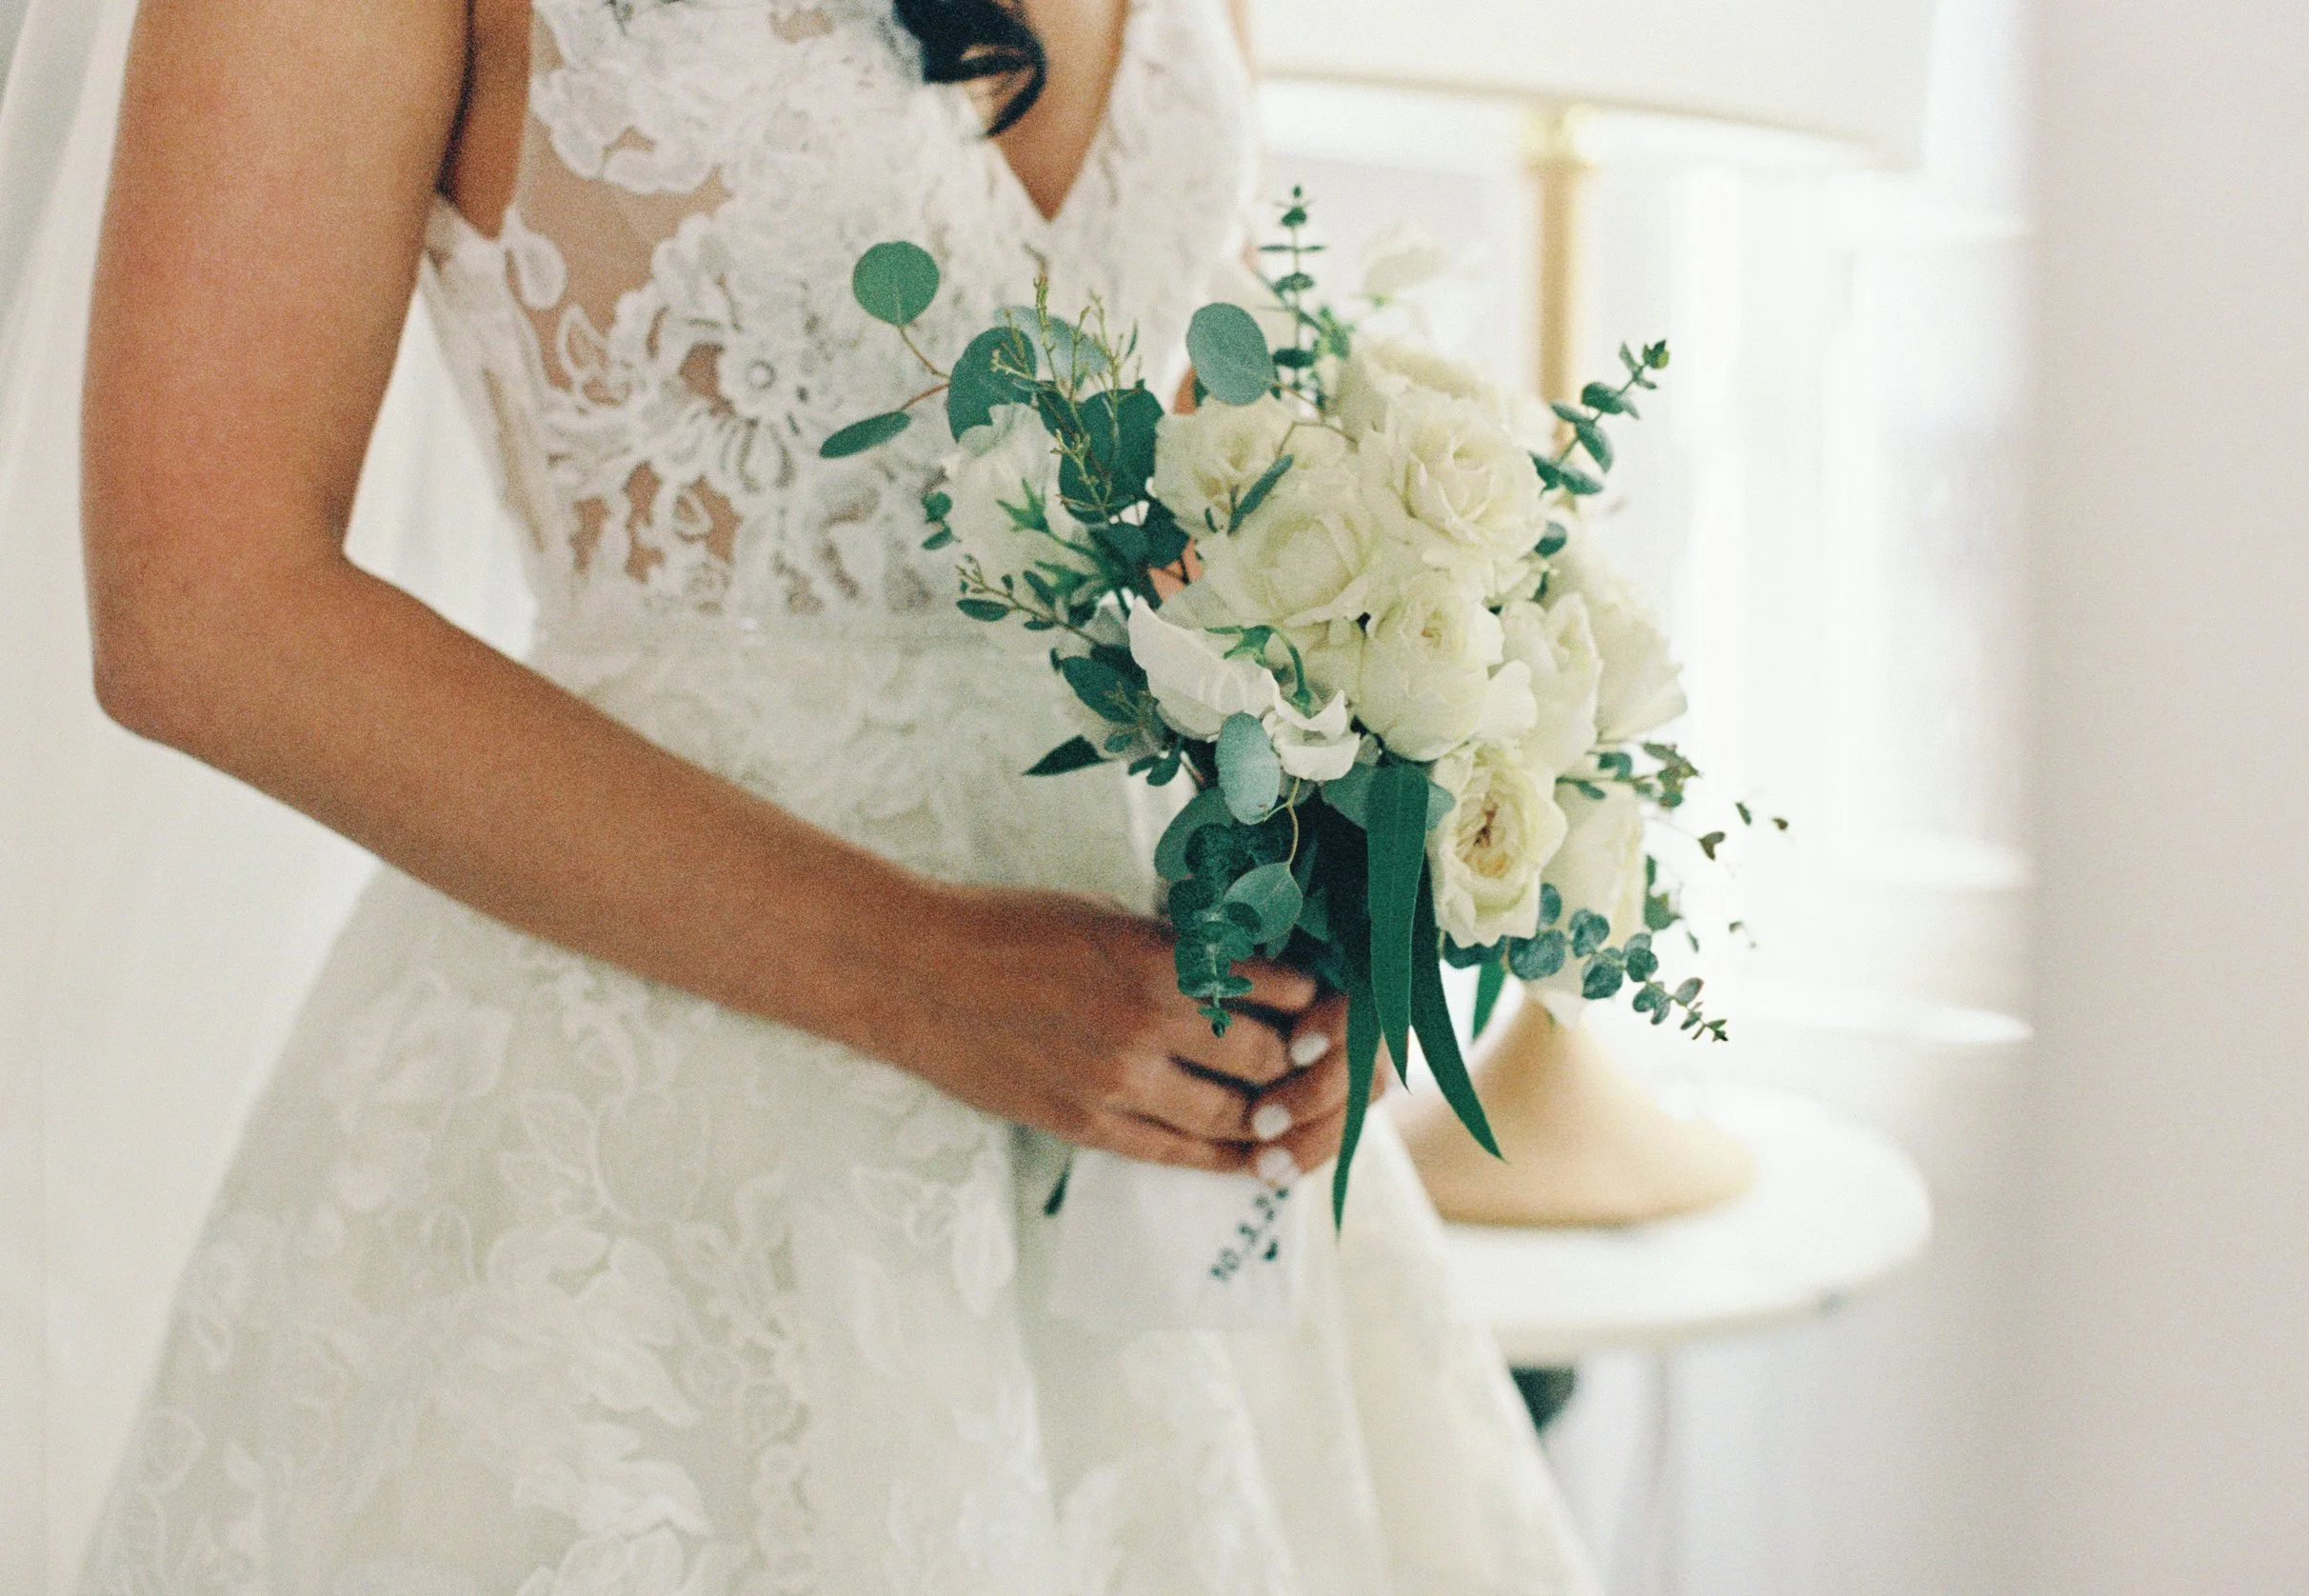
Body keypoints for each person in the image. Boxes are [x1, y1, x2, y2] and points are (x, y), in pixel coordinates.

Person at [58, 0, 1595, 1588]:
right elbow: (202, 608)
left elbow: (1186, 464)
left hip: (1161, 1078)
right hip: (647, 1135)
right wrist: (918, 969)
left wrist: (1310, 898)